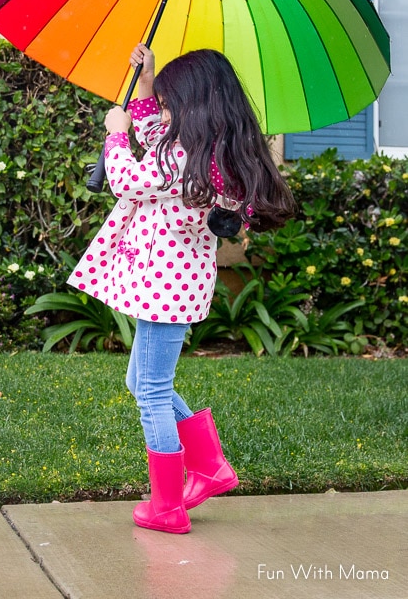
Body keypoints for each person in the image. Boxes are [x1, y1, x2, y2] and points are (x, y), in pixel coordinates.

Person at [68, 43, 296, 534]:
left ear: (195, 105)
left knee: (150, 389)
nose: (165, 113)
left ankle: (167, 504)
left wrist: (114, 137)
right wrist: (146, 84)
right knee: (142, 382)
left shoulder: (181, 158)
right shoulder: (210, 155)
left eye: (172, 104)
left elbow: (129, 177)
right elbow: (157, 140)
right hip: (177, 286)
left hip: (161, 288)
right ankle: (210, 466)